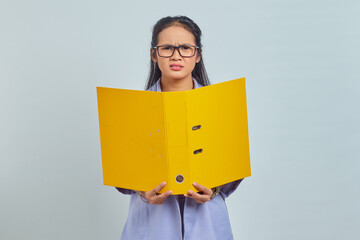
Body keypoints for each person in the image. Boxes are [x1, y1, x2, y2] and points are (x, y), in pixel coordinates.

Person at [116, 15, 244, 240]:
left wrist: (213, 191)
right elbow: (121, 172)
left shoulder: (221, 104)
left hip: (207, 222)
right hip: (151, 222)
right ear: (154, 54)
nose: (176, 55)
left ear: (197, 55)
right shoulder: (131, 108)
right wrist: (143, 193)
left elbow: (233, 168)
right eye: (167, 48)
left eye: (185, 47)